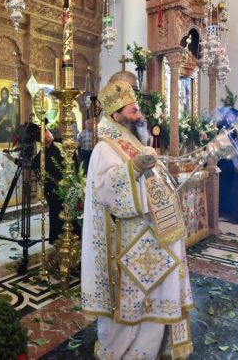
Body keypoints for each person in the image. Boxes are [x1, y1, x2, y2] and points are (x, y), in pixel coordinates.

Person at [81, 77, 193, 360]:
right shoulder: (105, 148)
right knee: (133, 302)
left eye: (138, 109)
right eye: (133, 111)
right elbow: (107, 189)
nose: (140, 115)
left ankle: (150, 348)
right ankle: (127, 351)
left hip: (151, 237)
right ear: (116, 116)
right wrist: (134, 168)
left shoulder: (132, 141)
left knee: (155, 295)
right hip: (128, 244)